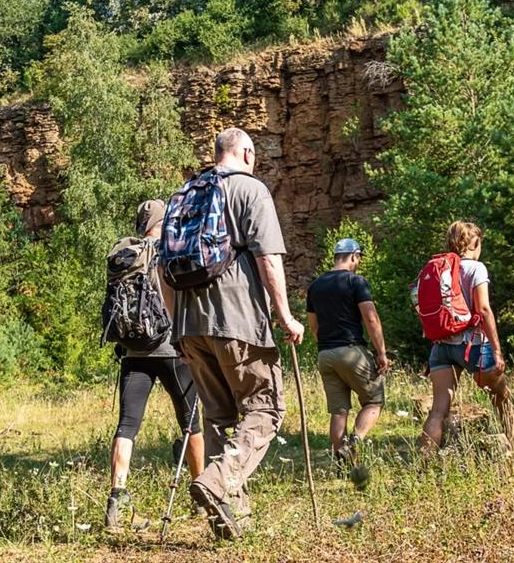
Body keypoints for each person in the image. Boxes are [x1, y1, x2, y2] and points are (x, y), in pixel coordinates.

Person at [160, 127, 304, 541]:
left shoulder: (183, 196)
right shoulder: (249, 190)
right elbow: (268, 260)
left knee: (220, 417)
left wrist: (177, 327)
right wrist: (285, 315)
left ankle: (232, 521)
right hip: (238, 320)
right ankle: (218, 481)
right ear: (244, 152)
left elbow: (163, 270)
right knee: (265, 409)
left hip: (190, 326)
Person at [104, 199, 206, 532]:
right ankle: (202, 495)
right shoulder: (169, 250)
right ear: (165, 221)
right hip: (172, 349)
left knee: (127, 426)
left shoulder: (124, 254)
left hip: (133, 351)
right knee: (191, 422)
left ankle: (115, 503)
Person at [420, 221, 514, 451]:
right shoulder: (477, 269)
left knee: (438, 410)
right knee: (502, 398)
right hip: (472, 345)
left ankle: (422, 467)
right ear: (474, 243)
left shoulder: (439, 268)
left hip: (442, 346)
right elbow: (483, 309)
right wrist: (496, 350)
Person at [306, 238, 390, 471]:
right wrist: (381, 352)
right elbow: (371, 318)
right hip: (351, 350)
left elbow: (314, 327)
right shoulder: (356, 282)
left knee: (338, 411)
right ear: (354, 256)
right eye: (359, 259)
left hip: (325, 354)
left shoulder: (315, 286)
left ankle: (342, 467)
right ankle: (354, 442)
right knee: (374, 401)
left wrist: (327, 345)